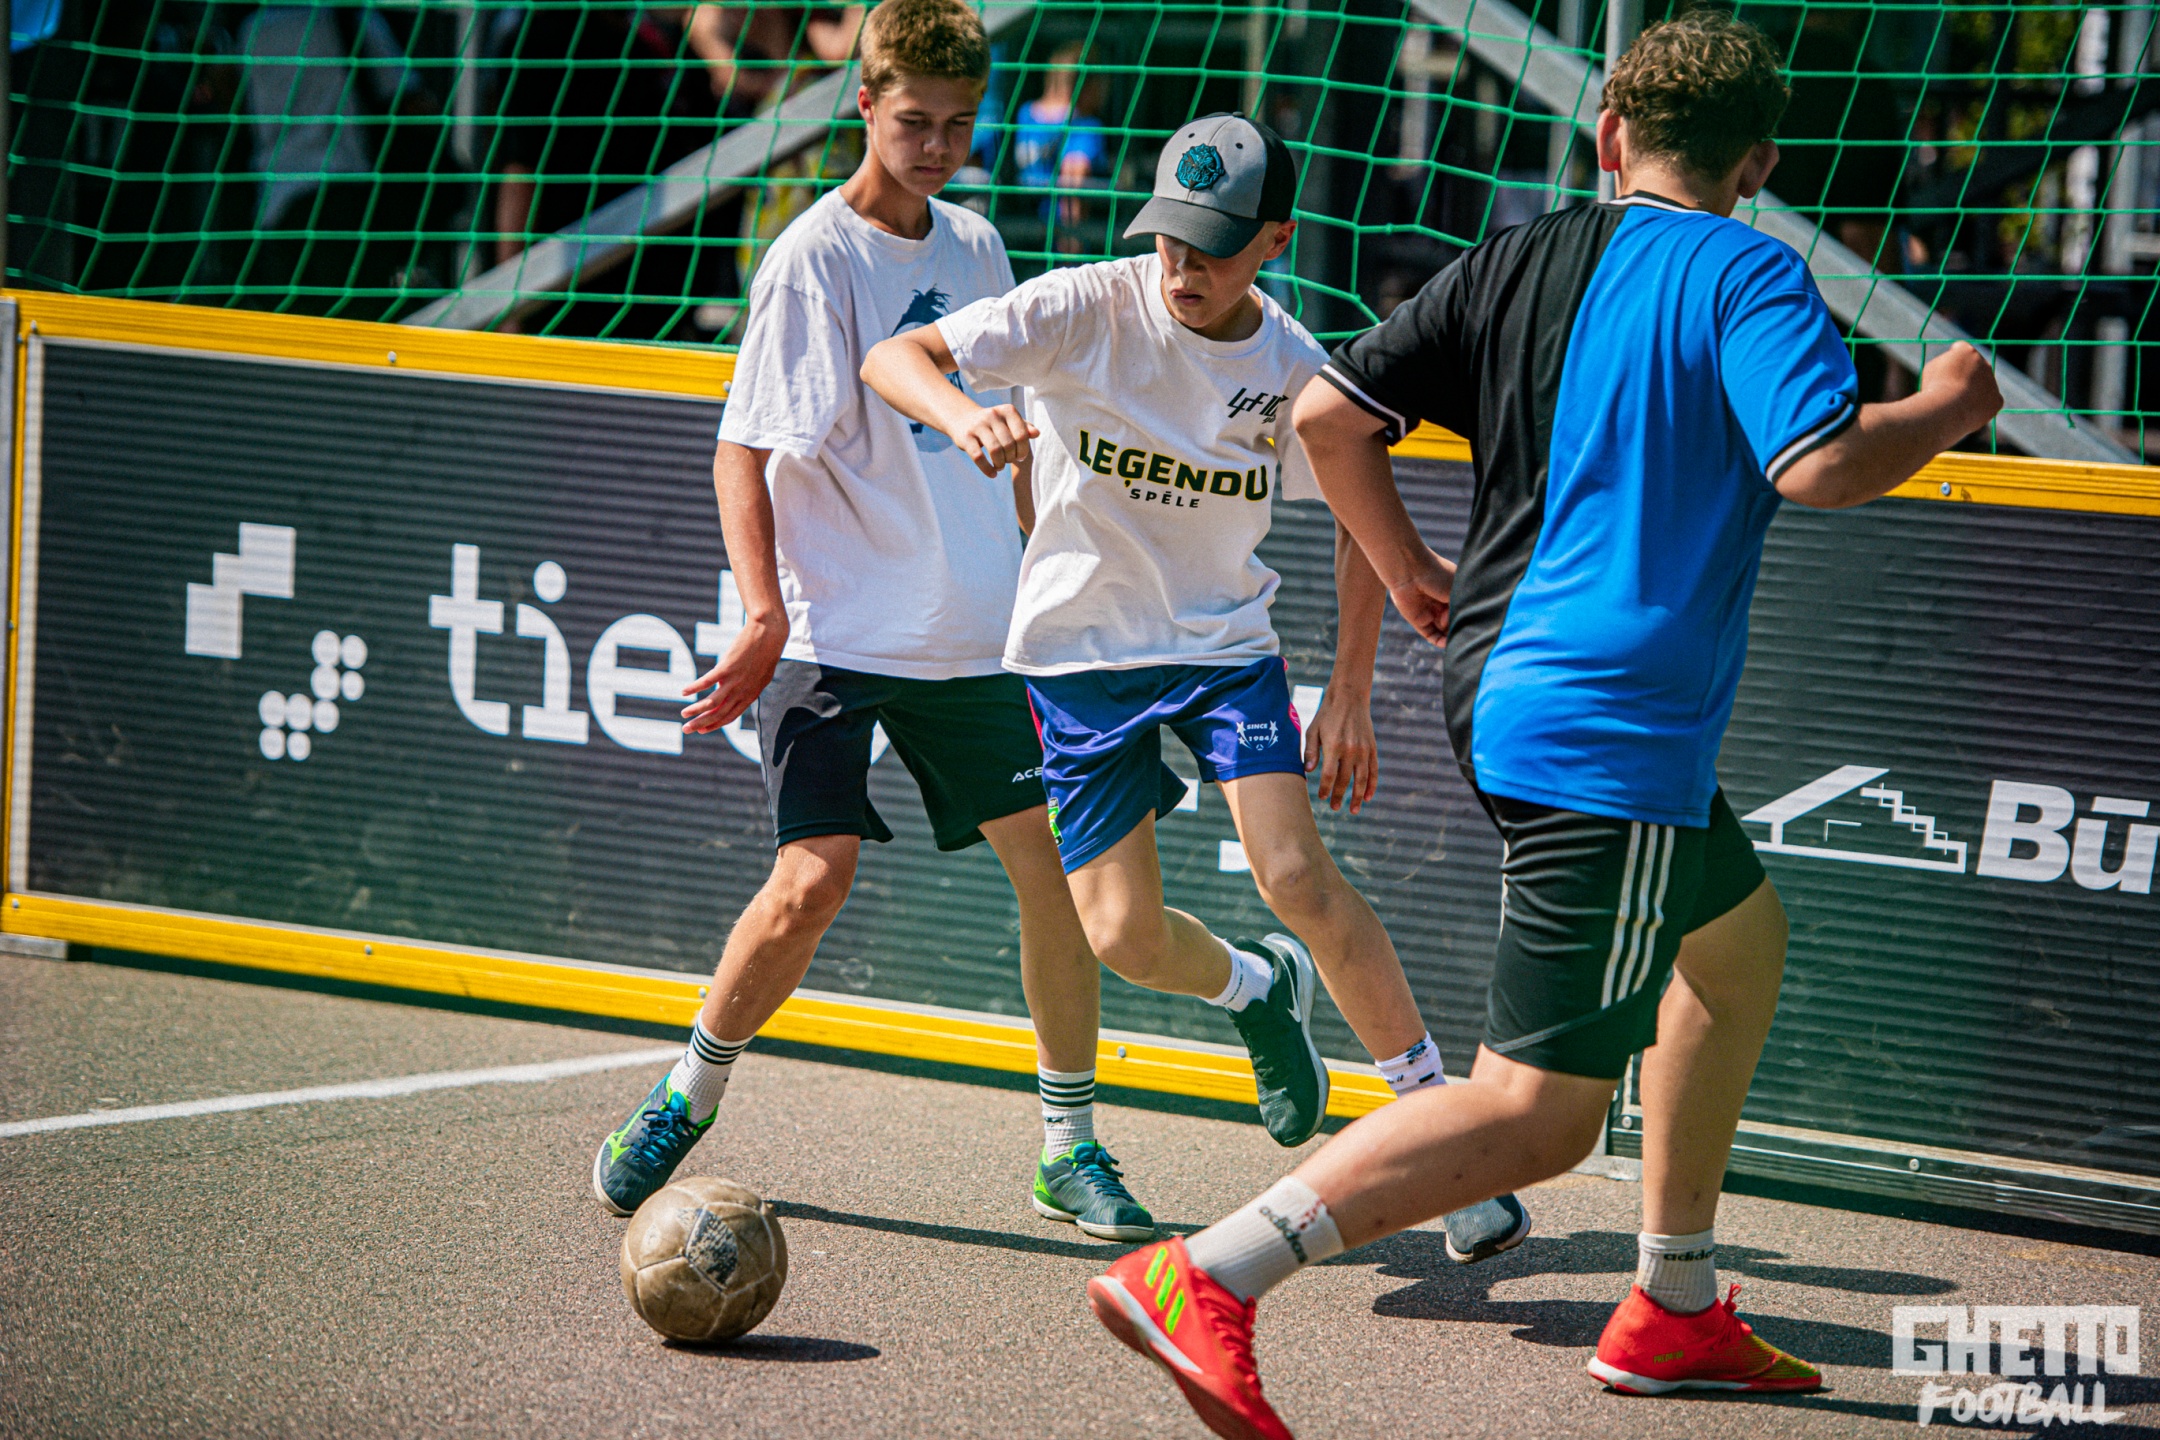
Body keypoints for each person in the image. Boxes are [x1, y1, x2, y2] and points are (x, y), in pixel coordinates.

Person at [1079, 17, 2005, 1439]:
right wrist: (1943, 405)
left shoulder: (1521, 254)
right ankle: (1207, 1273)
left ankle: (1675, 1304)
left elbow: (1327, 417)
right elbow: (1819, 465)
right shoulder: (1752, 269)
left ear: (1609, 135)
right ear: (1759, 163)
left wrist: (1401, 564)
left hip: (1510, 686)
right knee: (1539, 1116)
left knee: (1736, 948)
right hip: (1609, 727)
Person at [864, 113, 1528, 1260]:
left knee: (1296, 876)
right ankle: (1257, 991)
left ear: (1275, 239)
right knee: (1122, 937)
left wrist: (1351, 689)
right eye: (1169, 238)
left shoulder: (1295, 369)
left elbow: (1357, 513)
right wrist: (967, 413)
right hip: (1077, 660)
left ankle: (1442, 1146)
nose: (1182, 267)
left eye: (1213, 247)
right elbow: (895, 358)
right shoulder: (1083, 306)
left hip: (1223, 652)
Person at [592, 0, 1141, 1245]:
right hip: (836, 632)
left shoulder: (981, 243)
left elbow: (1007, 436)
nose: (937, 146)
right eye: (914, 122)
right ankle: (686, 1097)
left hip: (975, 633)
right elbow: (741, 450)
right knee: (811, 881)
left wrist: (1046, 571)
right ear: (864, 104)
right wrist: (762, 609)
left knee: (1056, 876)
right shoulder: (811, 260)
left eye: (958, 123)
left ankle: (1069, 1148)